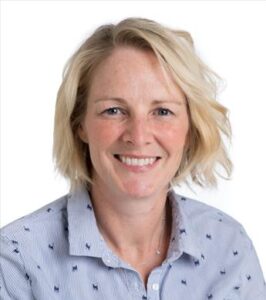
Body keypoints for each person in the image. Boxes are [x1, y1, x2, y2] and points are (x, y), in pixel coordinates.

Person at [0, 17, 265, 300]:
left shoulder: (228, 248)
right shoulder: (19, 258)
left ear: (191, 127)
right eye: (114, 110)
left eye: (162, 111)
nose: (138, 137)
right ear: (80, 124)